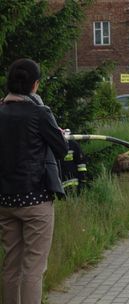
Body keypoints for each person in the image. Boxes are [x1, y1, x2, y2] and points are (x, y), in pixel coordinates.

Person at [0, 58, 68, 304]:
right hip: (36, 200)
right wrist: (62, 135)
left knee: (11, 265)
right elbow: (61, 149)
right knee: (33, 268)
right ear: (35, 85)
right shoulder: (40, 112)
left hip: (5, 200)